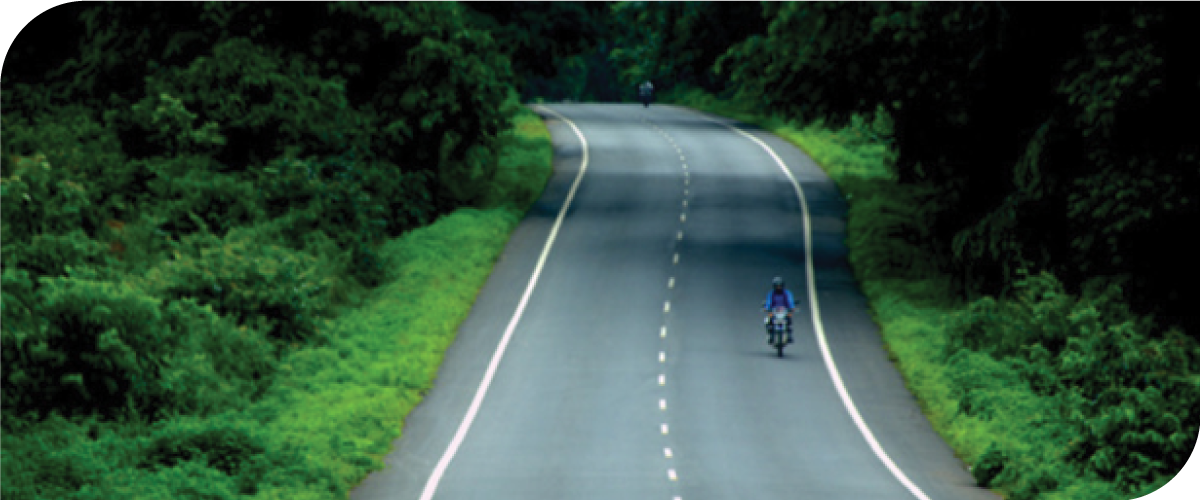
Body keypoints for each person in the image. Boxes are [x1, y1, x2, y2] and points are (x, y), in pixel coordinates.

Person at [763, 276, 796, 344]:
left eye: (780, 286)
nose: (778, 287)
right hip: (774, 311)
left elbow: (790, 301)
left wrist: (792, 308)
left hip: (784, 310)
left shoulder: (787, 293)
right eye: (777, 286)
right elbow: (768, 302)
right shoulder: (771, 294)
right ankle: (770, 336)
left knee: (789, 320)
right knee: (768, 321)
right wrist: (767, 308)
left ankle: (789, 335)